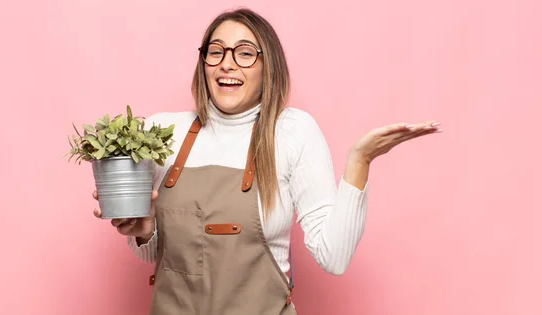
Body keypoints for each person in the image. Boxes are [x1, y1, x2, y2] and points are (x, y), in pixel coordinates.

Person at [92, 7, 441, 315]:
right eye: (216, 52)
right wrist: (144, 231)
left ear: (267, 65)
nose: (227, 62)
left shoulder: (292, 132)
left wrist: (359, 161)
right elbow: (154, 257)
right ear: (203, 64)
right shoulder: (163, 132)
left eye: (245, 53)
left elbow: (333, 258)